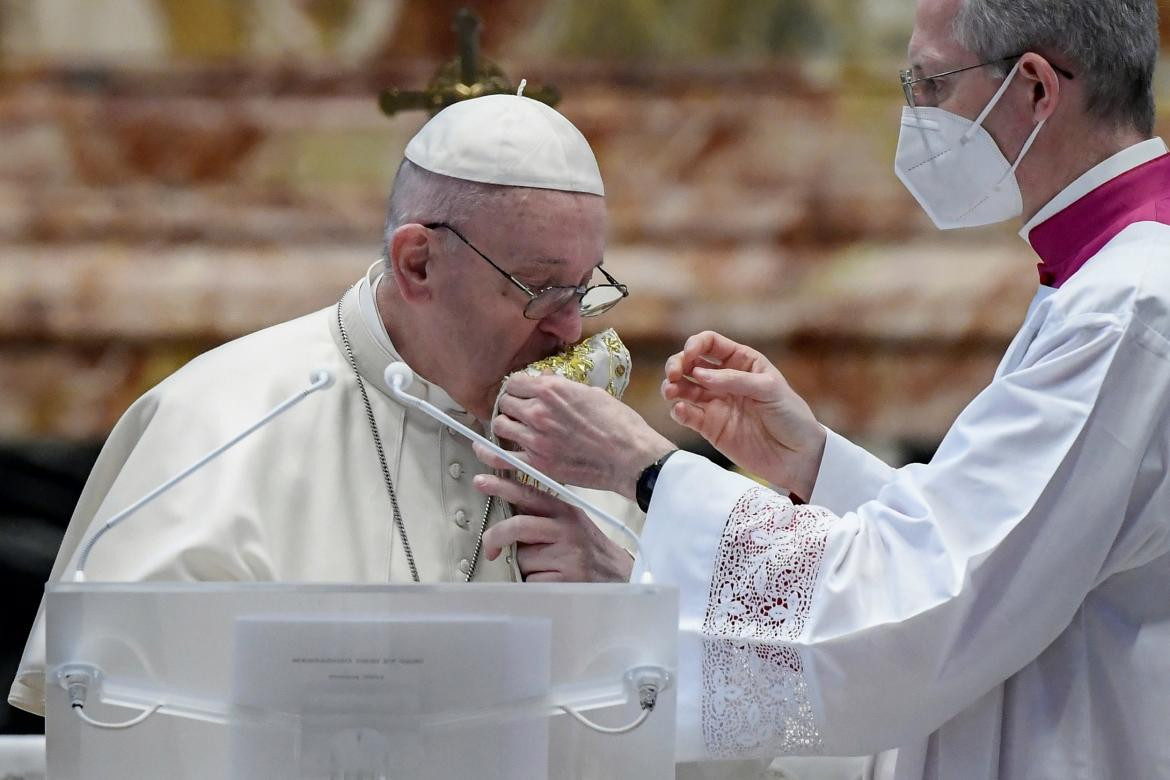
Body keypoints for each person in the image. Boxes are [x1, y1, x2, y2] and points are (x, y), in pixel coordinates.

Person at [477, 1, 1170, 777]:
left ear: (1036, 88)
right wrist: (815, 464)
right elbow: (996, 548)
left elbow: (923, 613)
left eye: (933, 83)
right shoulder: (1111, 284)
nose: (917, 115)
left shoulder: (1128, 308)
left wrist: (649, 472)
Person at [8, 93, 638, 715]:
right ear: (418, 264)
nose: (570, 330)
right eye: (543, 291)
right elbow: (119, 719)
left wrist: (620, 598)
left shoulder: (595, 451)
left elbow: (663, 715)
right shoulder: (220, 422)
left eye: (584, 291)